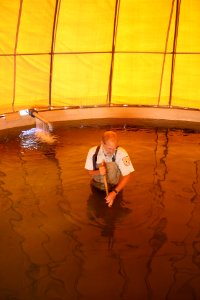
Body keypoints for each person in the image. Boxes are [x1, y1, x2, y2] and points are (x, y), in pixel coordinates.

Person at [85, 130, 134, 207]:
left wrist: (114, 192)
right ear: (102, 143)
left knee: (115, 210)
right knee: (95, 210)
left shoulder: (121, 153)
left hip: (114, 188)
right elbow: (89, 172)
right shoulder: (93, 152)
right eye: (109, 148)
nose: (112, 151)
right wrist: (98, 172)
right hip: (96, 186)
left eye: (114, 148)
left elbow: (127, 176)